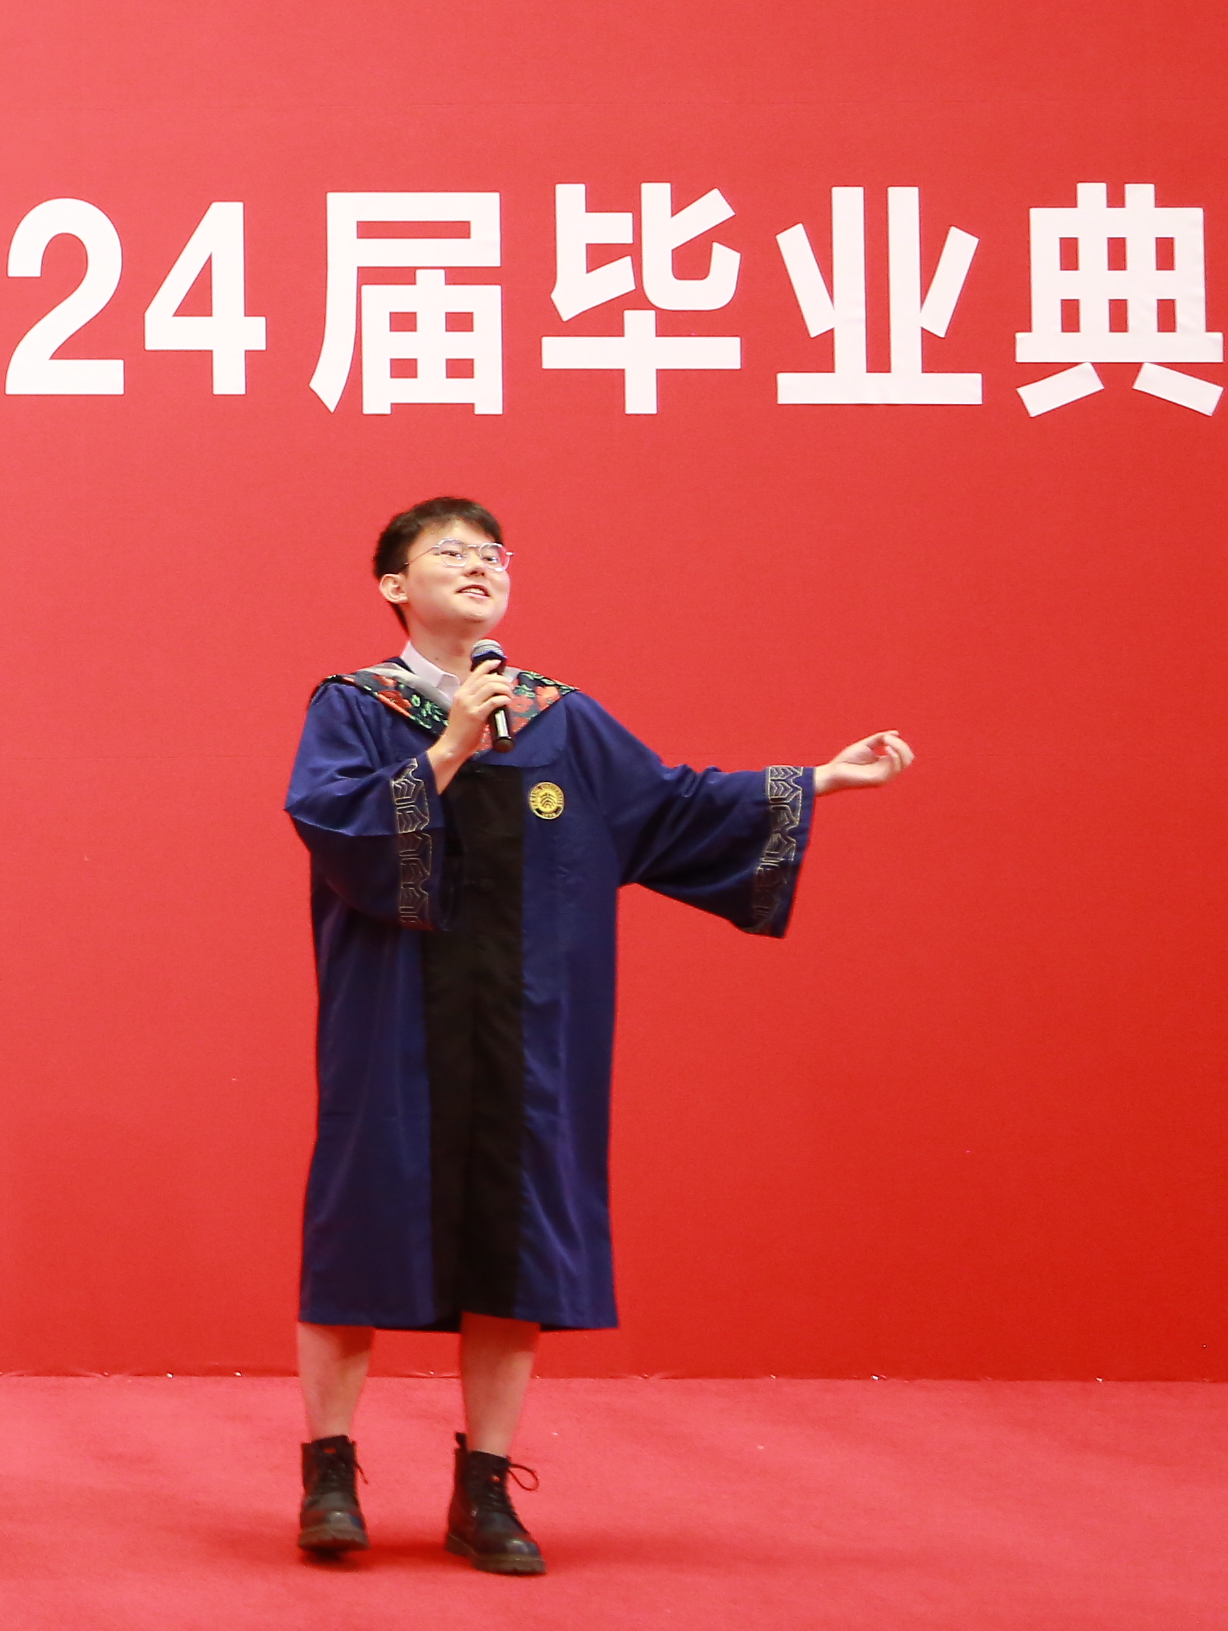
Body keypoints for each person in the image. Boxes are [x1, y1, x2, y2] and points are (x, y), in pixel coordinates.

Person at [285, 496, 912, 1574]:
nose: (480, 566)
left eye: (494, 554)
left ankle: (485, 1487)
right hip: (395, 1021)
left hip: (533, 1028)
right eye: (451, 552)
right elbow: (335, 824)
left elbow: (670, 808)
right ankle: (329, 1476)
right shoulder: (354, 706)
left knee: (518, 1238)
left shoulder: (561, 718)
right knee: (364, 1227)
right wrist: (451, 744)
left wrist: (821, 780)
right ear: (394, 585)